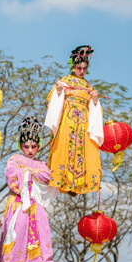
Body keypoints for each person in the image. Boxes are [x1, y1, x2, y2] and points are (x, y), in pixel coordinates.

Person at [0, 117, 57, 262]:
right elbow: (12, 178)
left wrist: (31, 173)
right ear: (20, 146)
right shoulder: (14, 159)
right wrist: (30, 174)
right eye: (26, 146)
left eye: (34, 146)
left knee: (41, 232)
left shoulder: (42, 165)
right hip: (19, 203)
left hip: (35, 205)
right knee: (18, 231)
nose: (30, 150)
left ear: (38, 146)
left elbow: (48, 177)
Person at [44, 45, 104, 195]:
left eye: (84, 68)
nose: (82, 71)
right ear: (73, 66)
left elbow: (96, 112)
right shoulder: (64, 82)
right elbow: (52, 101)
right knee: (64, 148)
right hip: (67, 123)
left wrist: (95, 102)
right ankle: (62, 179)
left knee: (84, 152)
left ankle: (80, 182)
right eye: (79, 68)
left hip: (83, 126)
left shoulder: (89, 88)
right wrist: (58, 91)